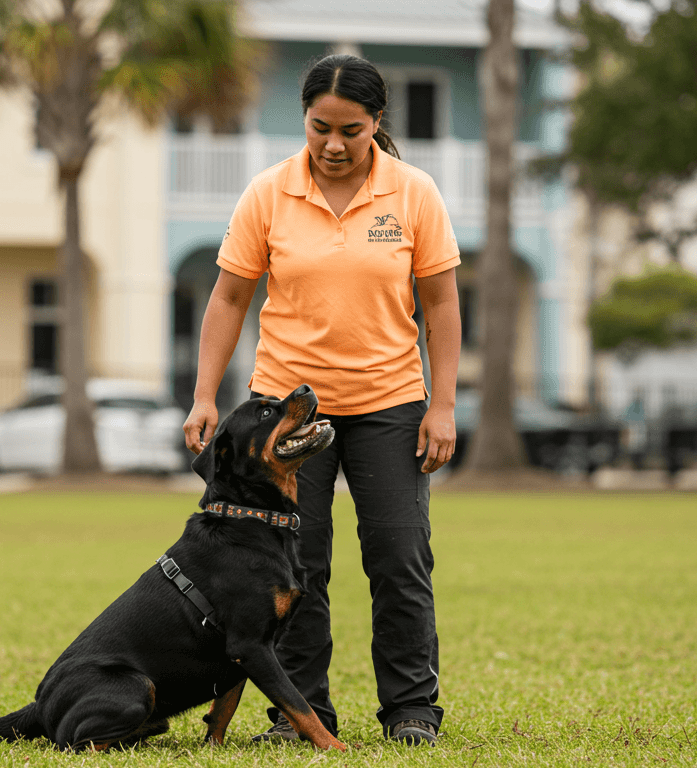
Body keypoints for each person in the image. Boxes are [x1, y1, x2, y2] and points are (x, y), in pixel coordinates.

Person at [182, 53, 461, 746]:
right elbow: (230, 297)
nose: (334, 144)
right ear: (304, 119)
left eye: (351, 130)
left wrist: (444, 404)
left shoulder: (413, 192)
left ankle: (411, 710)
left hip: (390, 402)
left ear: (377, 123)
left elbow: (441, 303)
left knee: (399, 557)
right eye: (319, 128)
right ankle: (301, 714)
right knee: (293, 565)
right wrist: (205, 396)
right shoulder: (269, 192)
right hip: (287, 413)